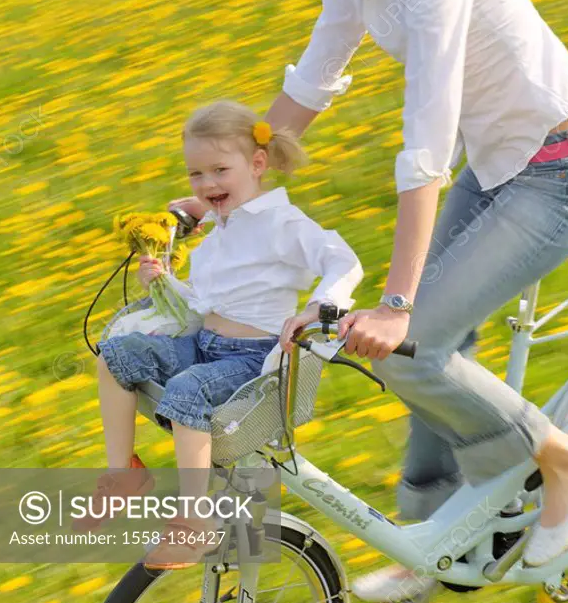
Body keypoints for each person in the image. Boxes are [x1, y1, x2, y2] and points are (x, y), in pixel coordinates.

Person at [265, 0, 568, 600]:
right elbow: (310, 86)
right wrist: (221, 186)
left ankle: (566, 464)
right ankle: (442, 544)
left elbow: (424, 143)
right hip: (500, 168)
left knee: (413, 340)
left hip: (562, 171)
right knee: (421, 352)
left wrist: (395, 301)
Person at [80, 99, 363, 568]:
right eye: (196, 174)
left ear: (256, 164)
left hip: (251, 358)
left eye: (219, 170)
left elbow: (344, 260)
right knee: (116, 354)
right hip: (204, 344)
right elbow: (207, 300)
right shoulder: (222, 226)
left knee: (187, 389)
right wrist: (163, 280)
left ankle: (195, 524)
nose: (207, 184)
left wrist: (319, 307)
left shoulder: (283, 224)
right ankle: (122, 475)